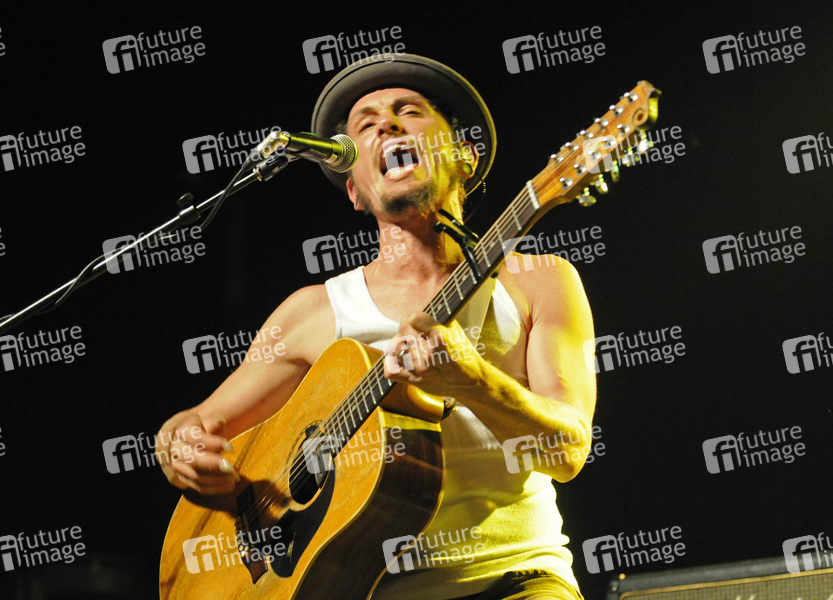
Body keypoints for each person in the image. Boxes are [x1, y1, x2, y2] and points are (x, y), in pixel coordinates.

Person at [156, 54, 596, 600]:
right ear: (355, 192)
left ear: (465, 156)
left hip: (514, 581)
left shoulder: (539, 280)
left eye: (409, 111)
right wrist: (180, 448)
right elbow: (198, 424)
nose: (386, 124)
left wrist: (473, 382)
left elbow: (568, 452)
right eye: (365, 125)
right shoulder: (311, 312)